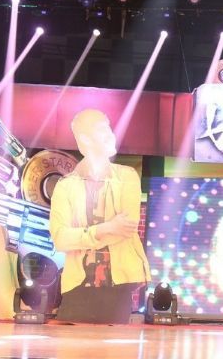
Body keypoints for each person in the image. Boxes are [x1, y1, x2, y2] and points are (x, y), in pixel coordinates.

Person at [50, 109, 150, 324]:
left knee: (114, 344)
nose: (111, 135)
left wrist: (81, 237)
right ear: (85, 139)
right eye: (103, 130)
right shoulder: (66, 185)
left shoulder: (127, 176)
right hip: (78, 285)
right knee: (70, 343)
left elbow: (126, 228)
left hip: (118, 285)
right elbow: (60, 239)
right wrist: (105, 228)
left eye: (109, 129)